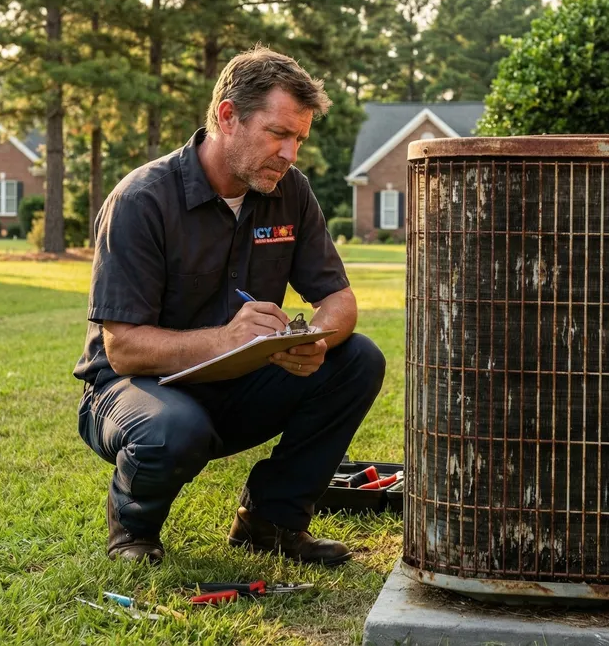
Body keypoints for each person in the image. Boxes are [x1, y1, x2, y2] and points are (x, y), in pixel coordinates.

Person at [73, 45, 386, 566]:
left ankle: (270, 522)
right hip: (134, 393)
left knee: (358, 359)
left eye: (299, 140)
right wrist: (226, 340)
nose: (290, 154)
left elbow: (339, 299)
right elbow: (123, 347)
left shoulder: (292, 193)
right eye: (279, 134)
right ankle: (134, 533)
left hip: (238, 384)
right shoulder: (142, 200)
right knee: (174, 428)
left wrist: (314, 342)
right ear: (227, 117)